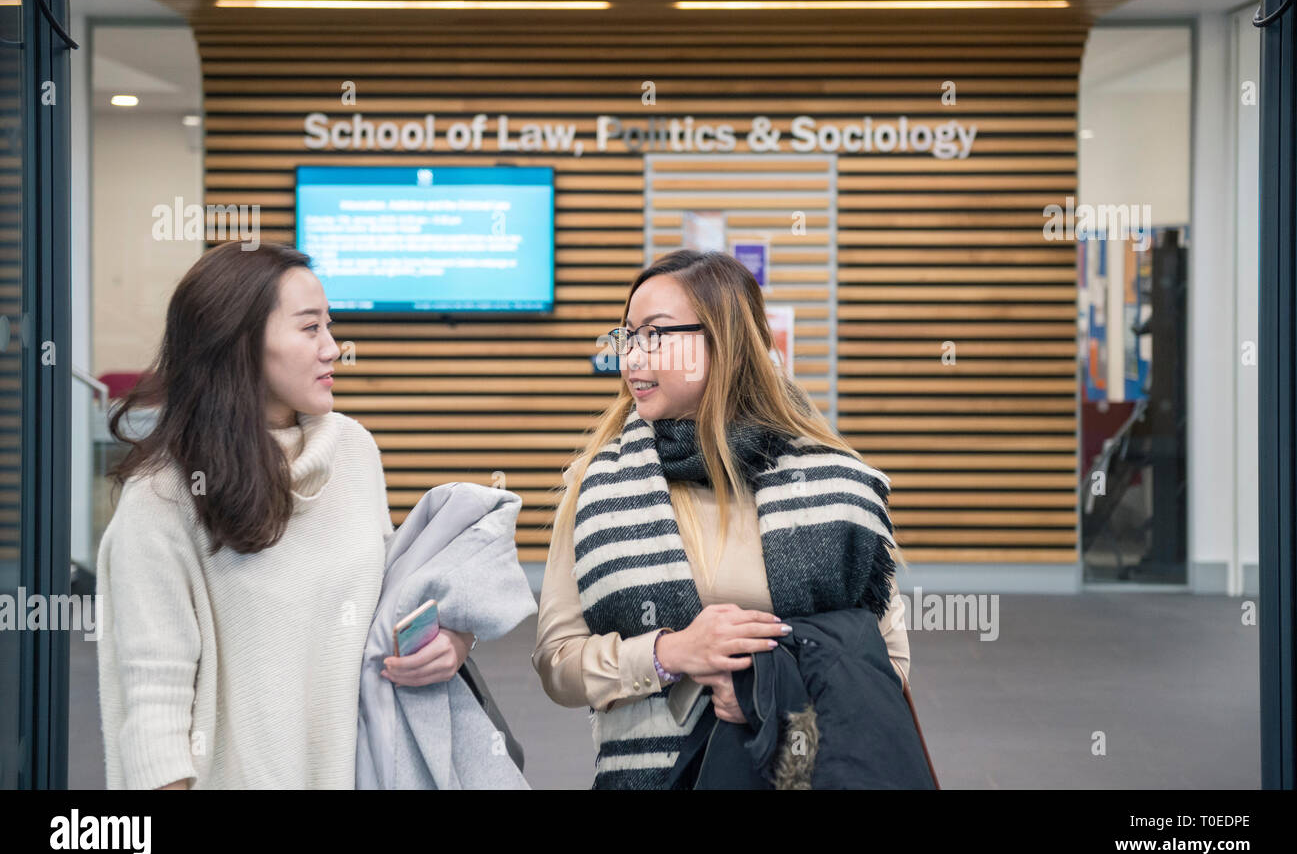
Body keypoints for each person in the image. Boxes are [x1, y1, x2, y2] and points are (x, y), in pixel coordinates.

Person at [96, 241, 475, 789]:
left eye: (330, 325)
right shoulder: (162, 499)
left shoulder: (353, 451)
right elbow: (156, 713)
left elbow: (388, 606)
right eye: (308, 329)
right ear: (240, 343)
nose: (333, 348)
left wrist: (451, 642)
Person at [533, 248, 911, 789]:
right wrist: (668, 654)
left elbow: (886, 666)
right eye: (626, 336)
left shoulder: (837, 487)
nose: (631, 359)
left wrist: (775, 691)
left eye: (655, 335)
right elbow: (557, 663)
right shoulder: (595, 485)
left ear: (724, 340)